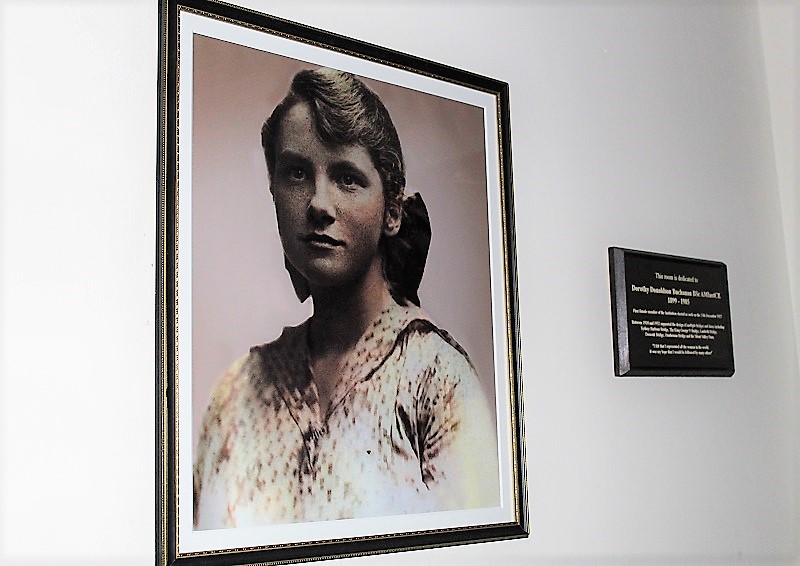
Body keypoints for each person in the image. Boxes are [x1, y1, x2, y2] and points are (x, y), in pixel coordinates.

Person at [193, 68, 499, 529]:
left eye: (347, 177)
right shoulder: (237, 393)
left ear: (392, 210)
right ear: (273, 190)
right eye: (296, 172)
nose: (318, 203)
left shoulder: (434, 380)